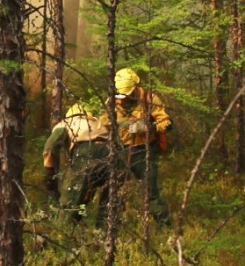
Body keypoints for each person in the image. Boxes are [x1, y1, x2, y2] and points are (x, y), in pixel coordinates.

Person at [110, 67, 172, 225]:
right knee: (114, 191)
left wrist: (148, 127)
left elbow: (165, 121)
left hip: (144, 151)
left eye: (127, 94)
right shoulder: (111, 102)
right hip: (120, 150)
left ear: (135, 88)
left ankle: (164, 225)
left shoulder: (149, 98)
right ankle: (112, 226)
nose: (123, 99)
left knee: (149, 191)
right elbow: (104, 122)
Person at [43, 103, 113, 227]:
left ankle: (62, 232)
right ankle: (104, 233)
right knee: (108, 202)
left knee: (71, 198)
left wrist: (49, 173)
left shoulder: (66, 124)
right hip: (112, 154)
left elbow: (50, 147)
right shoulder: (98, 124)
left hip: (86, 154)